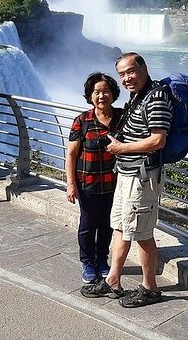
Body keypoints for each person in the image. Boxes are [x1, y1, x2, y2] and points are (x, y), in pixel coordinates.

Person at [81, 52, 171, 308]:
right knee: (121, 227)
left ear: (143, 68)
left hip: (142, 175)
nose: (126, 78)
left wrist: (121, 149)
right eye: (121, 74)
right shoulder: (137, 96)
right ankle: (113, 280)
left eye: (130, 71)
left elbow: (157, 140)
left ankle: (150, 288)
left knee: (142, 233)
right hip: (127, 173)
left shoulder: (156, 97)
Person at [66, 72, 123, 284]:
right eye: (97, 92)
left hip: (115, 183)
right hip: (88, 183)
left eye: (106, 91)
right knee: (88, 225)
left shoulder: (121, 118)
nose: (101, 96)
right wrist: (71, 184)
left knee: (108, 224)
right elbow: (71, 154)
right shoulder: (82, 121)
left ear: (114, 94)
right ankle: (87, 262)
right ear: (90, 96)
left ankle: (102, 260)